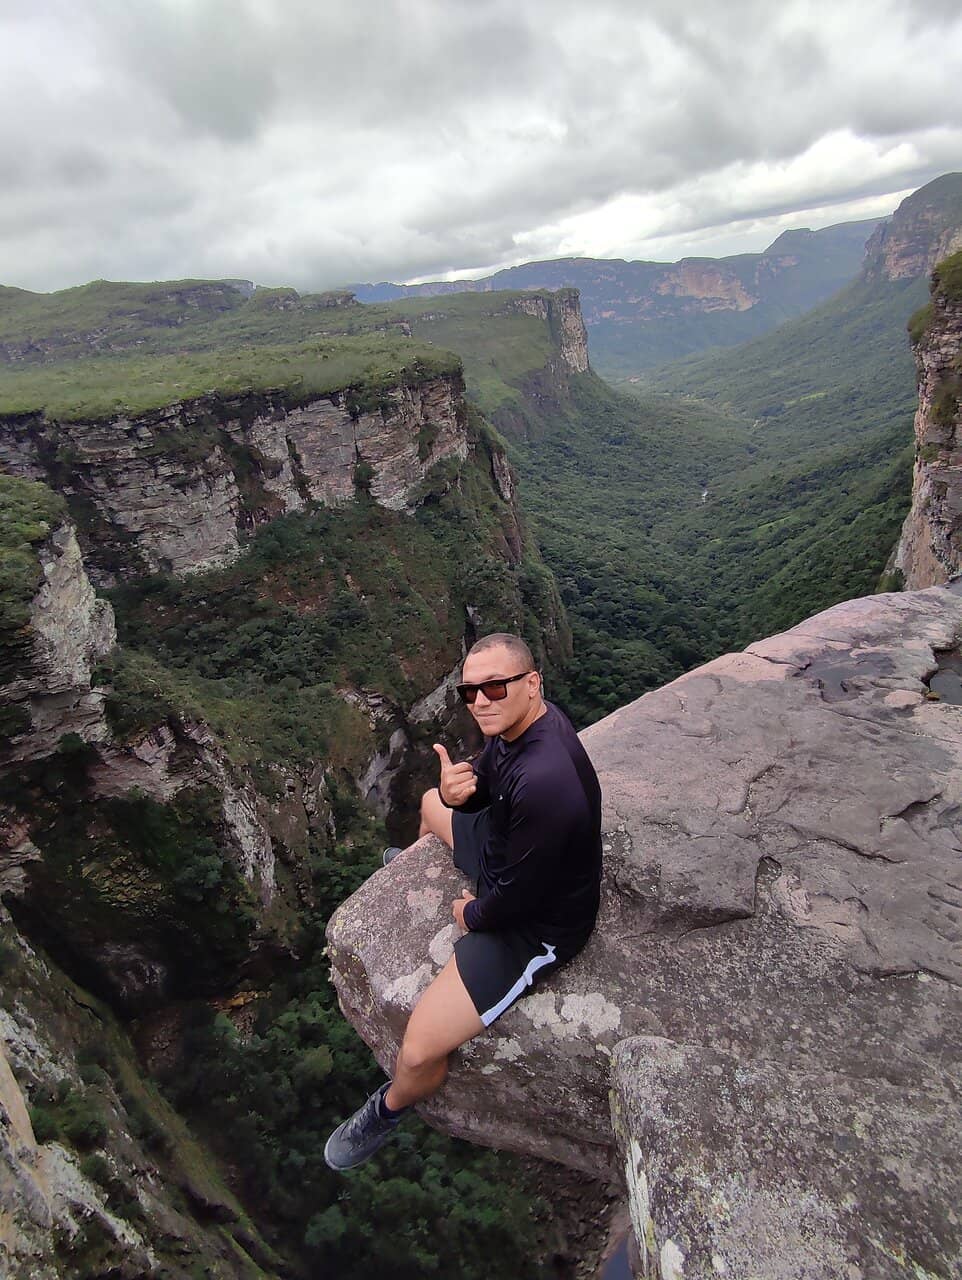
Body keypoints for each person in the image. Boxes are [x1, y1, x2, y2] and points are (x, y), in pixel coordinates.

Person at [324, 632, 602, 1170]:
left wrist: (469, 913)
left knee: (419, 1049)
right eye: (470, 692)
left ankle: (389, 1106)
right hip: (507, 848)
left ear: (531, 683)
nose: (481, 702)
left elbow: (512, 903)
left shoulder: (547, 782)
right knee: (430, 804)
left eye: (495, 687)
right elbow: (491, 774)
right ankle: (408, 867)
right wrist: (461, 791)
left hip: (533, 926)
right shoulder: (527, 722)